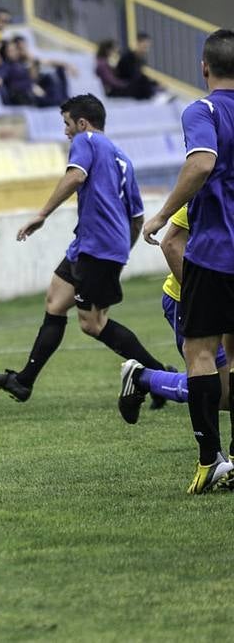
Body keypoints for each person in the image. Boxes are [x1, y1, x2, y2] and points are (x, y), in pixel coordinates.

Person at [0, 95, 167, 404]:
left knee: (92, 324)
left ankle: (159, 377)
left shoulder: (87, 140)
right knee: (55, 302)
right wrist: (122, 251)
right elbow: (136, 217)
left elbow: (75, 175)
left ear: (82, 123)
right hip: (92, 245)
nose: (66, 131)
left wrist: (41, 214)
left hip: (97, 248)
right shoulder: (123, 158)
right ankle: (23, 381)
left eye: (67, 124)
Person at [138, 29, 234, 493]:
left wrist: (159, 214)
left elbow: (200, 163)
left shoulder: (204, 110)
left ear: (204, 66)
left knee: (200, 354)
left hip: (215, 253)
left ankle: (211, 460)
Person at [116, 205, 220, 422]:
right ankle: (142, 378)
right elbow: (171, 243)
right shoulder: (211, 188)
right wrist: (204, 300)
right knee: (219, 391)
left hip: (222, 300)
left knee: (222, 389)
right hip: (190, 300)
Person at [113, 32, 161, 100]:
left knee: (152, 84)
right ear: (138, 44)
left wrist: (155, 83)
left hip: (132, 85)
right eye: (144, 47)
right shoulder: (127, 58)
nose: (146, 50)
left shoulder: (140, 59)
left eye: (148, 47)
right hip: (124, 87)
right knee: (145, 84)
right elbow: (131, 78)